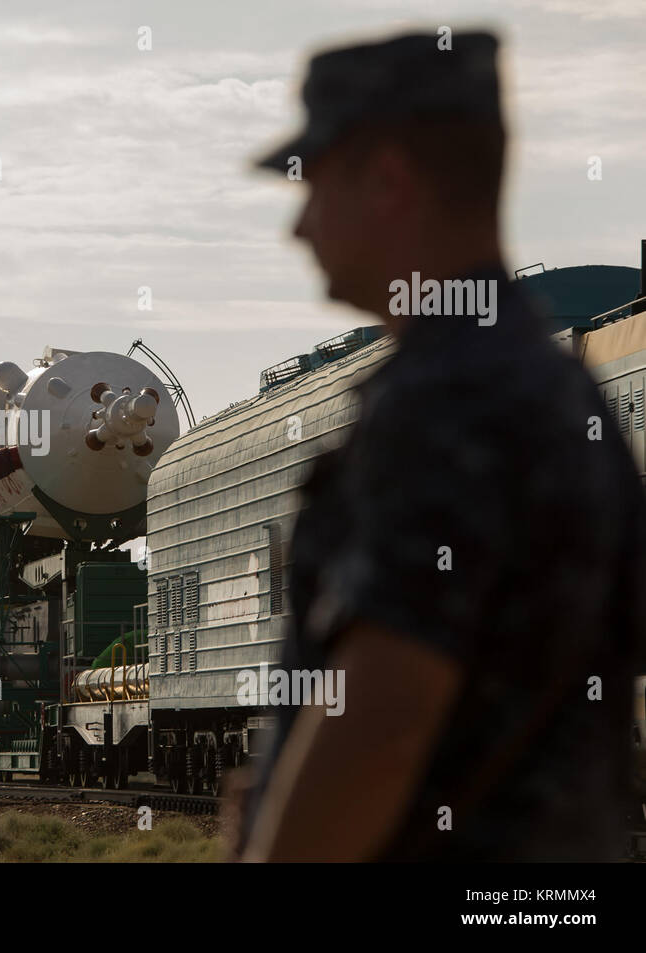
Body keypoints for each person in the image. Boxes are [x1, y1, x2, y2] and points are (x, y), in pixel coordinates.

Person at [240, 30, 646, 861]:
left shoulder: (448, 402)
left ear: (389, 180)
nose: (298, 226)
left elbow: (383, 723)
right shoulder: (559, 393)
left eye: (313, 187)